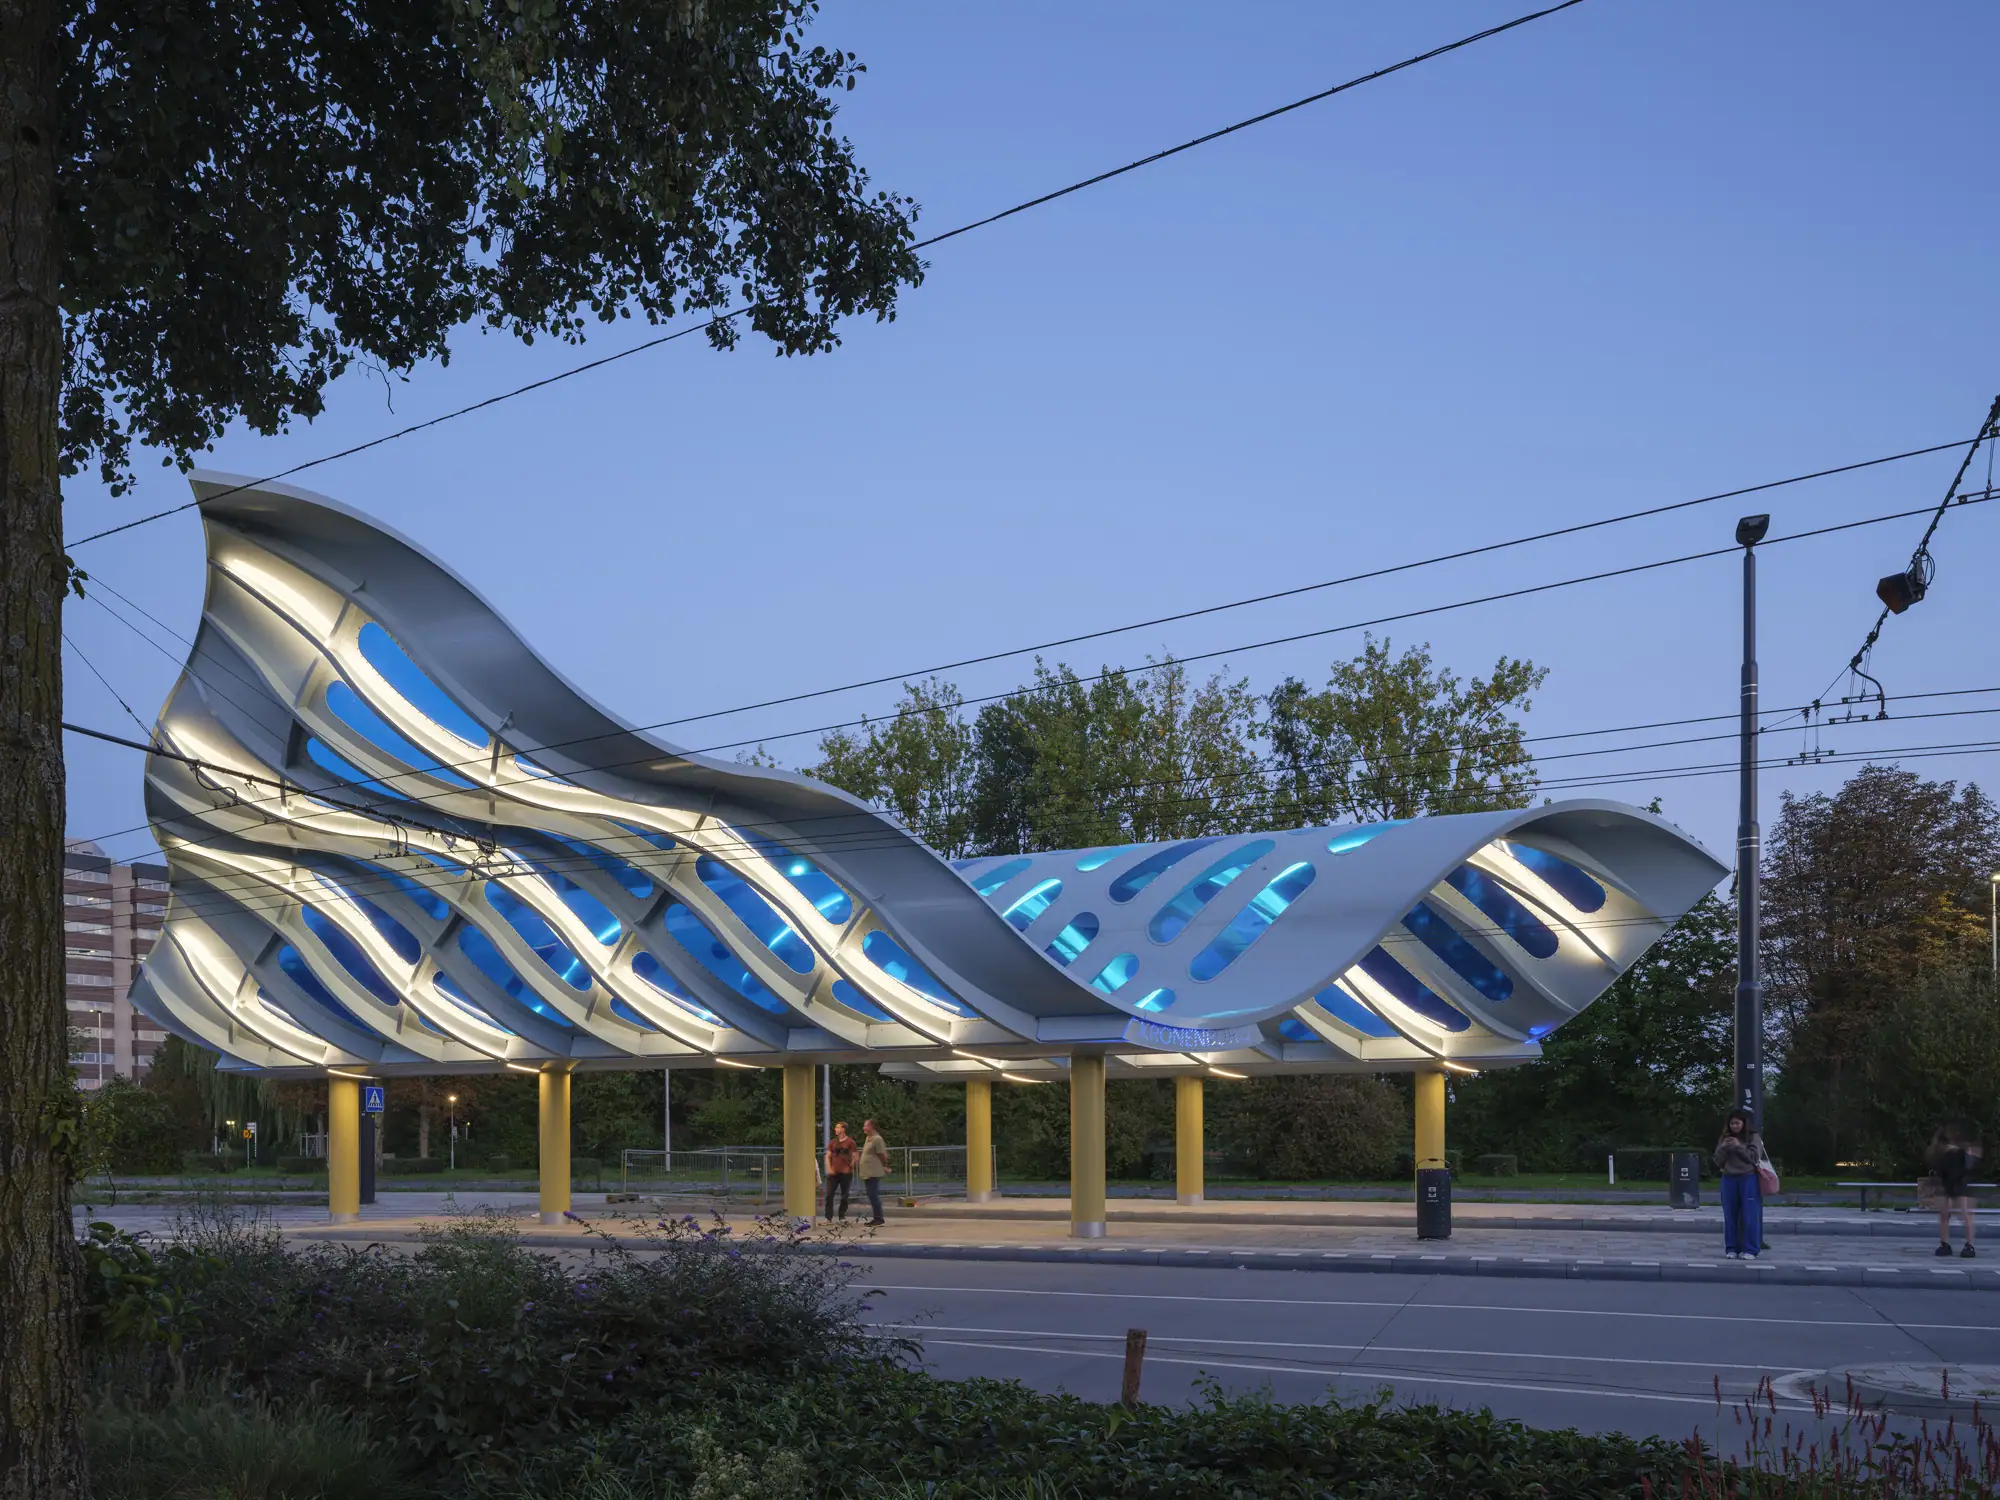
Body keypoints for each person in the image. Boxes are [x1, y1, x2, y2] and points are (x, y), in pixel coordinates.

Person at [1713, 1109, 1763, 1260]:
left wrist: (1738, 1146)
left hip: (1748, 1178)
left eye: (1737, 1123)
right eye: (1732, 1123)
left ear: (1743, 1123)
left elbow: (1754, 1158)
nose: (1734, 1126)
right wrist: (1723, 1148)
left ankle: (1751, 1249)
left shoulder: (1752, 1137)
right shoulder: (1724, 1138)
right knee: (1730, 1215)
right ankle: (1732, 1248)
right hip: (1728, 1178)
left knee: (1749, 1215)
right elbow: (1717, 1160)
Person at [1929, 1122, 1982, 1259]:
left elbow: (1969, 1165)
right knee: (1944, 1215)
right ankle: (1945, 1244)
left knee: (1965, 1215)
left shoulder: (1962, 1149)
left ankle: (1969, 1245)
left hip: (1960, 1182)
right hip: (1947, 1182)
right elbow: (1937, 1163)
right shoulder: (1942, 1149)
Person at [857, 1118, 890, 1227]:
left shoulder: (877, 1139)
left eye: (865, 1126)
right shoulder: (868, 1138)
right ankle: (877, 1217)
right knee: (871, 1195)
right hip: (867, 1171)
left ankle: (878, 1218)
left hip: (873, 1171)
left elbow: (882, 1154)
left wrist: (885, 1166)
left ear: (872, 1127)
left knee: (873, 1195)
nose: (864, 1128)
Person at [823, 1121, 857, 1222]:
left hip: (845, 1173)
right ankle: (828, 1217)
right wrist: (829, 1167)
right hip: (833, 1173)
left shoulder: (850, 1142)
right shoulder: (833, 1142)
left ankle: (841, 1216)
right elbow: (828, 1155)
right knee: (829, 1194)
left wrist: (851, 1165)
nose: (835, 1129)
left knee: (844, 1195)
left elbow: (855, 1155)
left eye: (838, 1127)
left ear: (843, 1129)